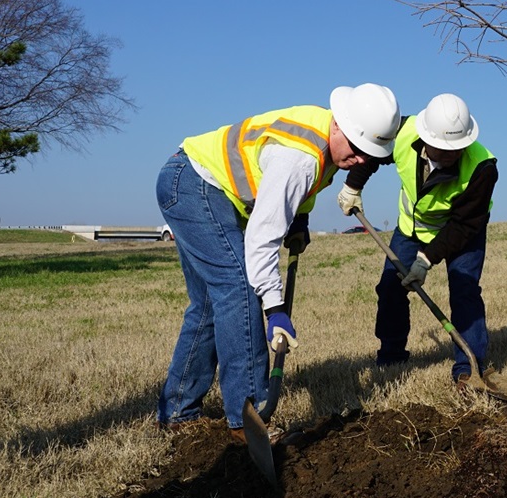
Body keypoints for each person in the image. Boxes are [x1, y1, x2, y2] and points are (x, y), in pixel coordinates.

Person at [155, 83, 401, 442]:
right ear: (338, 126)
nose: (362, 159)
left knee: (210, 303)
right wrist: (275, 309)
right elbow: (261, 240)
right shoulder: (298, 158)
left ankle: (177, 412)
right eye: (358, 147)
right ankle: (250, 419)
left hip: (188, 177)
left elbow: (299, 190)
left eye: (370, 153)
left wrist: (299, 221)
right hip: (193, 185)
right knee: (240, 291)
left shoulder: (330, 143)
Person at [337, 93, 498, 390]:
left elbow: (463, 225)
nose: (453, 154)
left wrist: (425, 260)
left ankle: (468, 367)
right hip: (411, 228)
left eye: (458, 148)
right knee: (390, 287)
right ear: (426, 137)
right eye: (445, 149)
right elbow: (371, 151)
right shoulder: (403, 132)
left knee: (465, 291)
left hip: (462, 233)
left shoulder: (482, 167)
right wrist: (352, 187)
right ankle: (392, 355)